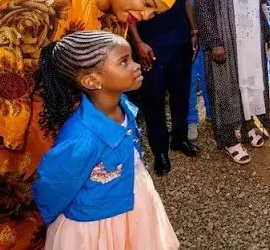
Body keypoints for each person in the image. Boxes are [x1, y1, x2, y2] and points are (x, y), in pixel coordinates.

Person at [0, 0, 178, 248]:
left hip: (40, 150)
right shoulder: (41, 0)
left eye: (154, 13)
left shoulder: (115, 17)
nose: (145, 16)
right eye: (147, 3)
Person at [33, 31, 179, 250]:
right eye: (124, 62)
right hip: (98, 225)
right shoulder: (83, 138)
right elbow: (53, 188)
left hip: (133, 203)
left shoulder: (124, 107)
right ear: (92, 80)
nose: (136, 65)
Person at [111, 0, 200, 176]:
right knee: (153, 99)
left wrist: (193, 31)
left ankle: (180, 138)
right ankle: (160, 150)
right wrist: (137, 43)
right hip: (149, 43)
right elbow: (120, 2)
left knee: (181, 93)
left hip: (180, 39)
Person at [194, 0, 270, 165]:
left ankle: (250, 125)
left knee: (250, 83)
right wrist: (213, 42)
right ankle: (229, 139)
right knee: (226, 89)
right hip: (226, 41)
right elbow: (203, 7)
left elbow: (257, 3)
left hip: (251, 42)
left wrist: (267, 33)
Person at [176, 0, 212, 141]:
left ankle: (212, 112)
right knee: (189, 78)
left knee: (209, 76)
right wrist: (192, 30)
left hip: (210, 32)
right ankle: (191, 119)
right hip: (188, 32)